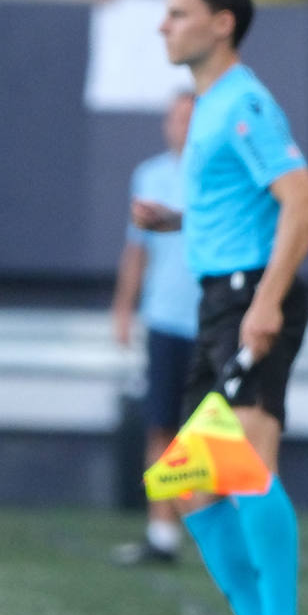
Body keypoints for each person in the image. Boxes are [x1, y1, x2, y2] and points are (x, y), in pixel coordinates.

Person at [135, 0, 308, 615]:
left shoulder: (242, 100)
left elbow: (303, 202)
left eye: (178, 12)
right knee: (188, 483)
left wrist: (268, 301)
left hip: (251, 296)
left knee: (244, 462)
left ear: (221, 23)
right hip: (223, 301)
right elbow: (245, 200)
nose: (164, 24)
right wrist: (180, 221)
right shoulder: (210, 103)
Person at [110, 91, 201, 567]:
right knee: (162, 423)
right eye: (175, 118)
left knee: (210, 429)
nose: (180, 126)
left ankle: (207, 526)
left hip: (211, 317)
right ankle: (162, 529)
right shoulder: (150, 175)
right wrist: (124, 308)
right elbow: (137, 249)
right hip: (166, 316)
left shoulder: (218, 175)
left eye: (189, 118)